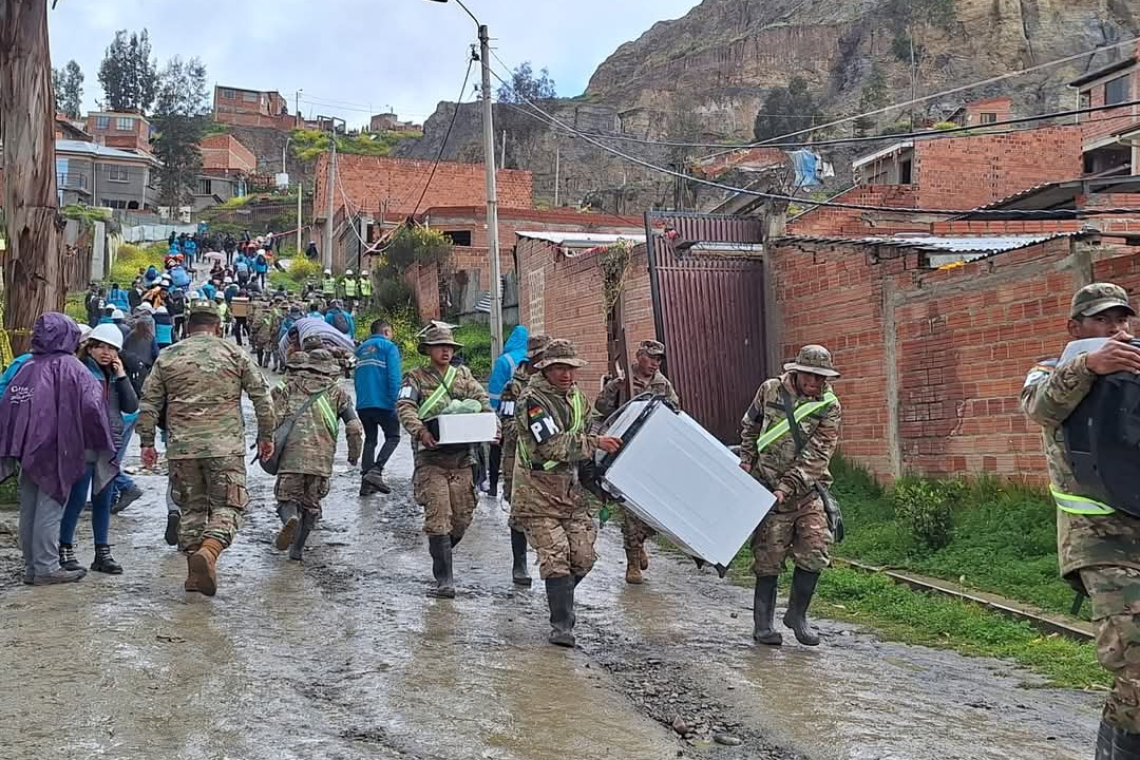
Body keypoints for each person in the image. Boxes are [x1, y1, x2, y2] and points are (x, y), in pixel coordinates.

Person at [1020, 283, 1140, 756]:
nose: (1117, 329)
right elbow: (1040, 406)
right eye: (1103, 319)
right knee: (1135, 663)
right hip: (1099, 542)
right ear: (1075, 328)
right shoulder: (1051, 370)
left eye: (1123, 319)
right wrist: (1088, 365)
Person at [137, 300, 275, 597]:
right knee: (230, 504)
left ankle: (193, 574)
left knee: (192, 508)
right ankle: (210, 553)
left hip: (182, 449)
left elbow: (148, 404)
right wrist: (266, 436)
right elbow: (262, 397)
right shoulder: (234, 353)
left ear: (188, 326)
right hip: (225, 448)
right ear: (217, 325)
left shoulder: (168, 356)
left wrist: (147, 442)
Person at [511, 339, 621, 646]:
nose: (566, 375)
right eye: (559, 368)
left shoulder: (577, 399)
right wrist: (595, 443)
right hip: (537, 493)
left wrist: (598, 484)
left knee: (583, 556)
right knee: (556, 557)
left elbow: (589, 432)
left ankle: (561, 600)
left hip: (570, 494)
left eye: (570, 368)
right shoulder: (532, 400)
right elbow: (552, 445)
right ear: (545, 369)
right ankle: (562, 625)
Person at [0, 314, 117, 585]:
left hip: (28, 448)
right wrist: (99, 441)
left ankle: (32, 566)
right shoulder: (72, 367)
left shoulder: (27, 367)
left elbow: (10, 406)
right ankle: (47, 566)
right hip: (59, 447)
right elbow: (92, 406)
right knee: (50, 506)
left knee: (29, 506)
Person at [740, 344, 842, 648]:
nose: (814, 383)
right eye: (809, 376)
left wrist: (787, 486)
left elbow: (817, 455)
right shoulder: (770, 390)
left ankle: (797, 615)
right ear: (795, 373)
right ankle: (763, 626)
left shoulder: (829, 406)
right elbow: (751, 424)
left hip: (807, 490)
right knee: (768, 557)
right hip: (766, 489)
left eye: (819, 378)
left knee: (815, 550)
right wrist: (746, 459)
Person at [396, 326, 494, 598]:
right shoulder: (414, 378)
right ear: (428, 350)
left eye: (449, 347)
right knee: (439, 517)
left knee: (461, 518)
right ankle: (444, 578)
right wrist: (421, 431)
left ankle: (442, 553)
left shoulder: (463, 376)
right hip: (431, 460)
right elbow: (405, 408)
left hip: (462, 458)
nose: (446, 351)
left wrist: (488, 424)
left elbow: (481, 400)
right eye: (440, 347)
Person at [594, 339, 680, 584]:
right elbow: (601, 407)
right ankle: (632, 562)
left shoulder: (662, 384)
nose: (654, 363)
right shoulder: (622, 379)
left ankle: (641, 541)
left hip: (652, 452)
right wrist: (614, 388)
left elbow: (676, 409)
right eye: (651, 358)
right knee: (630, 508)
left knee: (654, 508)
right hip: (624, 452)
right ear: (639, 355)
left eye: (658, 360)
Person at [59, 323, 138, 575]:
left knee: (104, 498)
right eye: (100, 346)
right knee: (77, 497)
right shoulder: (79, 371)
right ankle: (65, 549)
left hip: (109, 446)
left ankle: (102, 553)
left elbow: (131, 406)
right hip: (83, 444)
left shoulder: (113, 375)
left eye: (112, 348)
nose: (106, 352)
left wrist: (122, 376)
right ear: (89, 347)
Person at [271, 349, 363, 561]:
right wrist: (354, 453)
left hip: (291, 457)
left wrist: (266, 444)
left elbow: (273, 419)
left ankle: (289, 519)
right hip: (321, 461)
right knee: (311, 507)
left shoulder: (290, 387)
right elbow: (354, 427)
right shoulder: (338, 393)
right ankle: (297, 550)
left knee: (287, 499)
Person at [500, 334, 550, 586]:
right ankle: (519, 563)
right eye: (543, 357)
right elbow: (506, 426)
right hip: (517, 459)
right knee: (519, 512)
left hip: (551, 463)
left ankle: (551, 562)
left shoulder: (554, 386)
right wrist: (534, 428)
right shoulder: (514, 388)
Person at [355, 320, 402, 496]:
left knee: (370, 439)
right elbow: (394, 377)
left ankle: (366, 483)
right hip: (384, 403)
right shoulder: (388, 347)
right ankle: (376, 470)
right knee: (394, 436)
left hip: (364, 404)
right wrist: (396, 400)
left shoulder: (360, 350)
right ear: (386, 331)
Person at [486, 325, 529, 496]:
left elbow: (494, 390)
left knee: (496, 448)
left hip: (505, 410)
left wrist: (493, 413)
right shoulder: (529, 358)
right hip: (526, 415)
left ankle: (493, 487)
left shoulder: (504, 361)